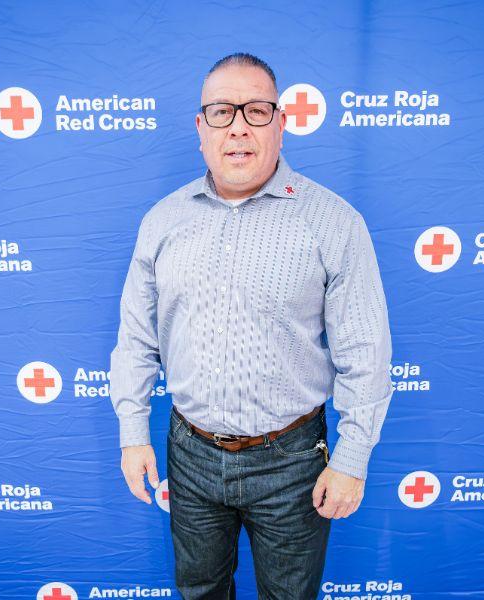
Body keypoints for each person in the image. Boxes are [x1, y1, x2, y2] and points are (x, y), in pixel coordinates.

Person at [109, 52, 393, 600]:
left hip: (291, 462)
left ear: (281, 124)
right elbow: (136, 338)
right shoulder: (163, 220)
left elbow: (365, 351)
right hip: (188, 454)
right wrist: (131, 433)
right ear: (200, 129)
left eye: (256, 110)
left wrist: (353, 457)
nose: (238, 126)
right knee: (200, 592)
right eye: (221, 112)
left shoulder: (333, 222)